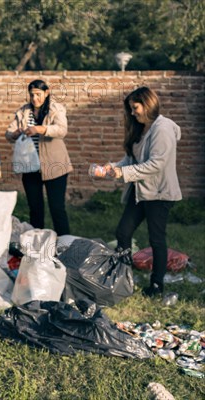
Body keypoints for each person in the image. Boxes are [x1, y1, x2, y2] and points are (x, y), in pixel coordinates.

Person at [105, 87, 182, 297]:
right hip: (140, 191)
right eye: (130, 108)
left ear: (147, 104)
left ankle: (156, 285)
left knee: (156, 239)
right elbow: (131, 160)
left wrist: (124, 172)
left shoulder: (162, 129)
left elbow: (156, 164)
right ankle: (122, 277)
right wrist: (112, 168)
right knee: (123, 232)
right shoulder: (141, 129)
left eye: (135, 107)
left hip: (159, 193)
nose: (132, 112)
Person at [5, 79, 72, 236]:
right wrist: (14, 134)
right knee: (35, 208)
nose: (35, 98)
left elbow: (62, 130)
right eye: (32, 95)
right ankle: (37, 245)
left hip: (55, 166)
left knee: (57, 208)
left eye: (38, 94)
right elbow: (9, 132)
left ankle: (65, 244)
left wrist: (39, 129)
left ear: (46, 92)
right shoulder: (23, 111)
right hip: (30, 167)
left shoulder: (56, 108)